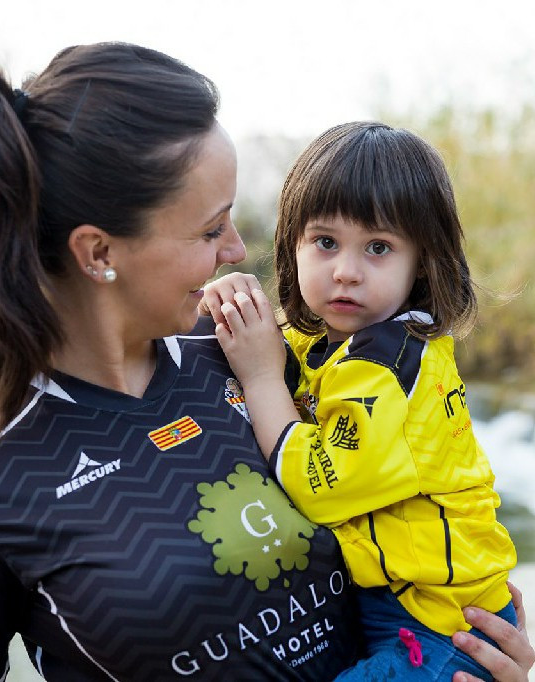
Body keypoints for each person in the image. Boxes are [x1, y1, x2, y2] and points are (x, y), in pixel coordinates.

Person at [0, 34, 535, 681]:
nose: (237, 249)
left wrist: (480, 663)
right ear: (98, 253)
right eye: (210, 227)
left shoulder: (255, 354)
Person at [200, 121, 518, 680]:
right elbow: (279, 348)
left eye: (378, 247)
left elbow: (321, 489)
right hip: (407, 608)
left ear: (422, 262)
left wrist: (262, 378)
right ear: (292, 244)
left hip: (441, 628)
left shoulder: (388, 365)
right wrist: (230, 298)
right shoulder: (342, 340)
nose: (346, 272)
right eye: (325, 242)